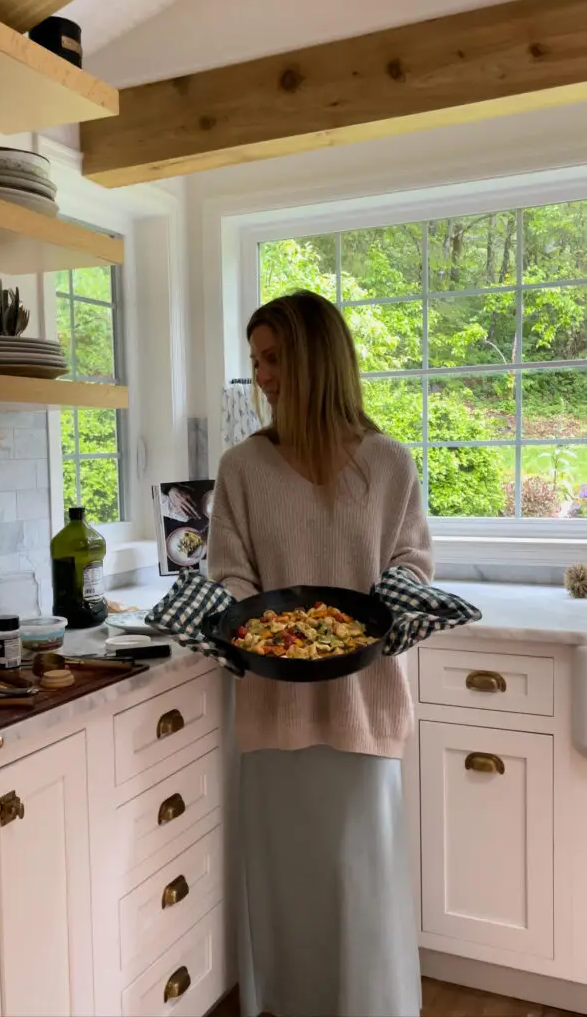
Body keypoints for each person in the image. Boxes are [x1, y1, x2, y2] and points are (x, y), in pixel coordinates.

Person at [207, 289, 433, 1017]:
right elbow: (230, 572)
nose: (262, 376)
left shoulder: (389, 463)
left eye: (273, 359)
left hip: (364, 705)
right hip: (275, 707)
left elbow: (412, 561)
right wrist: (240, 624)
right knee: (287, 878)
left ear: (315, 360)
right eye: (256, 361)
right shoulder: (242, 467)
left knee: (361, 876)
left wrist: (391, 596)